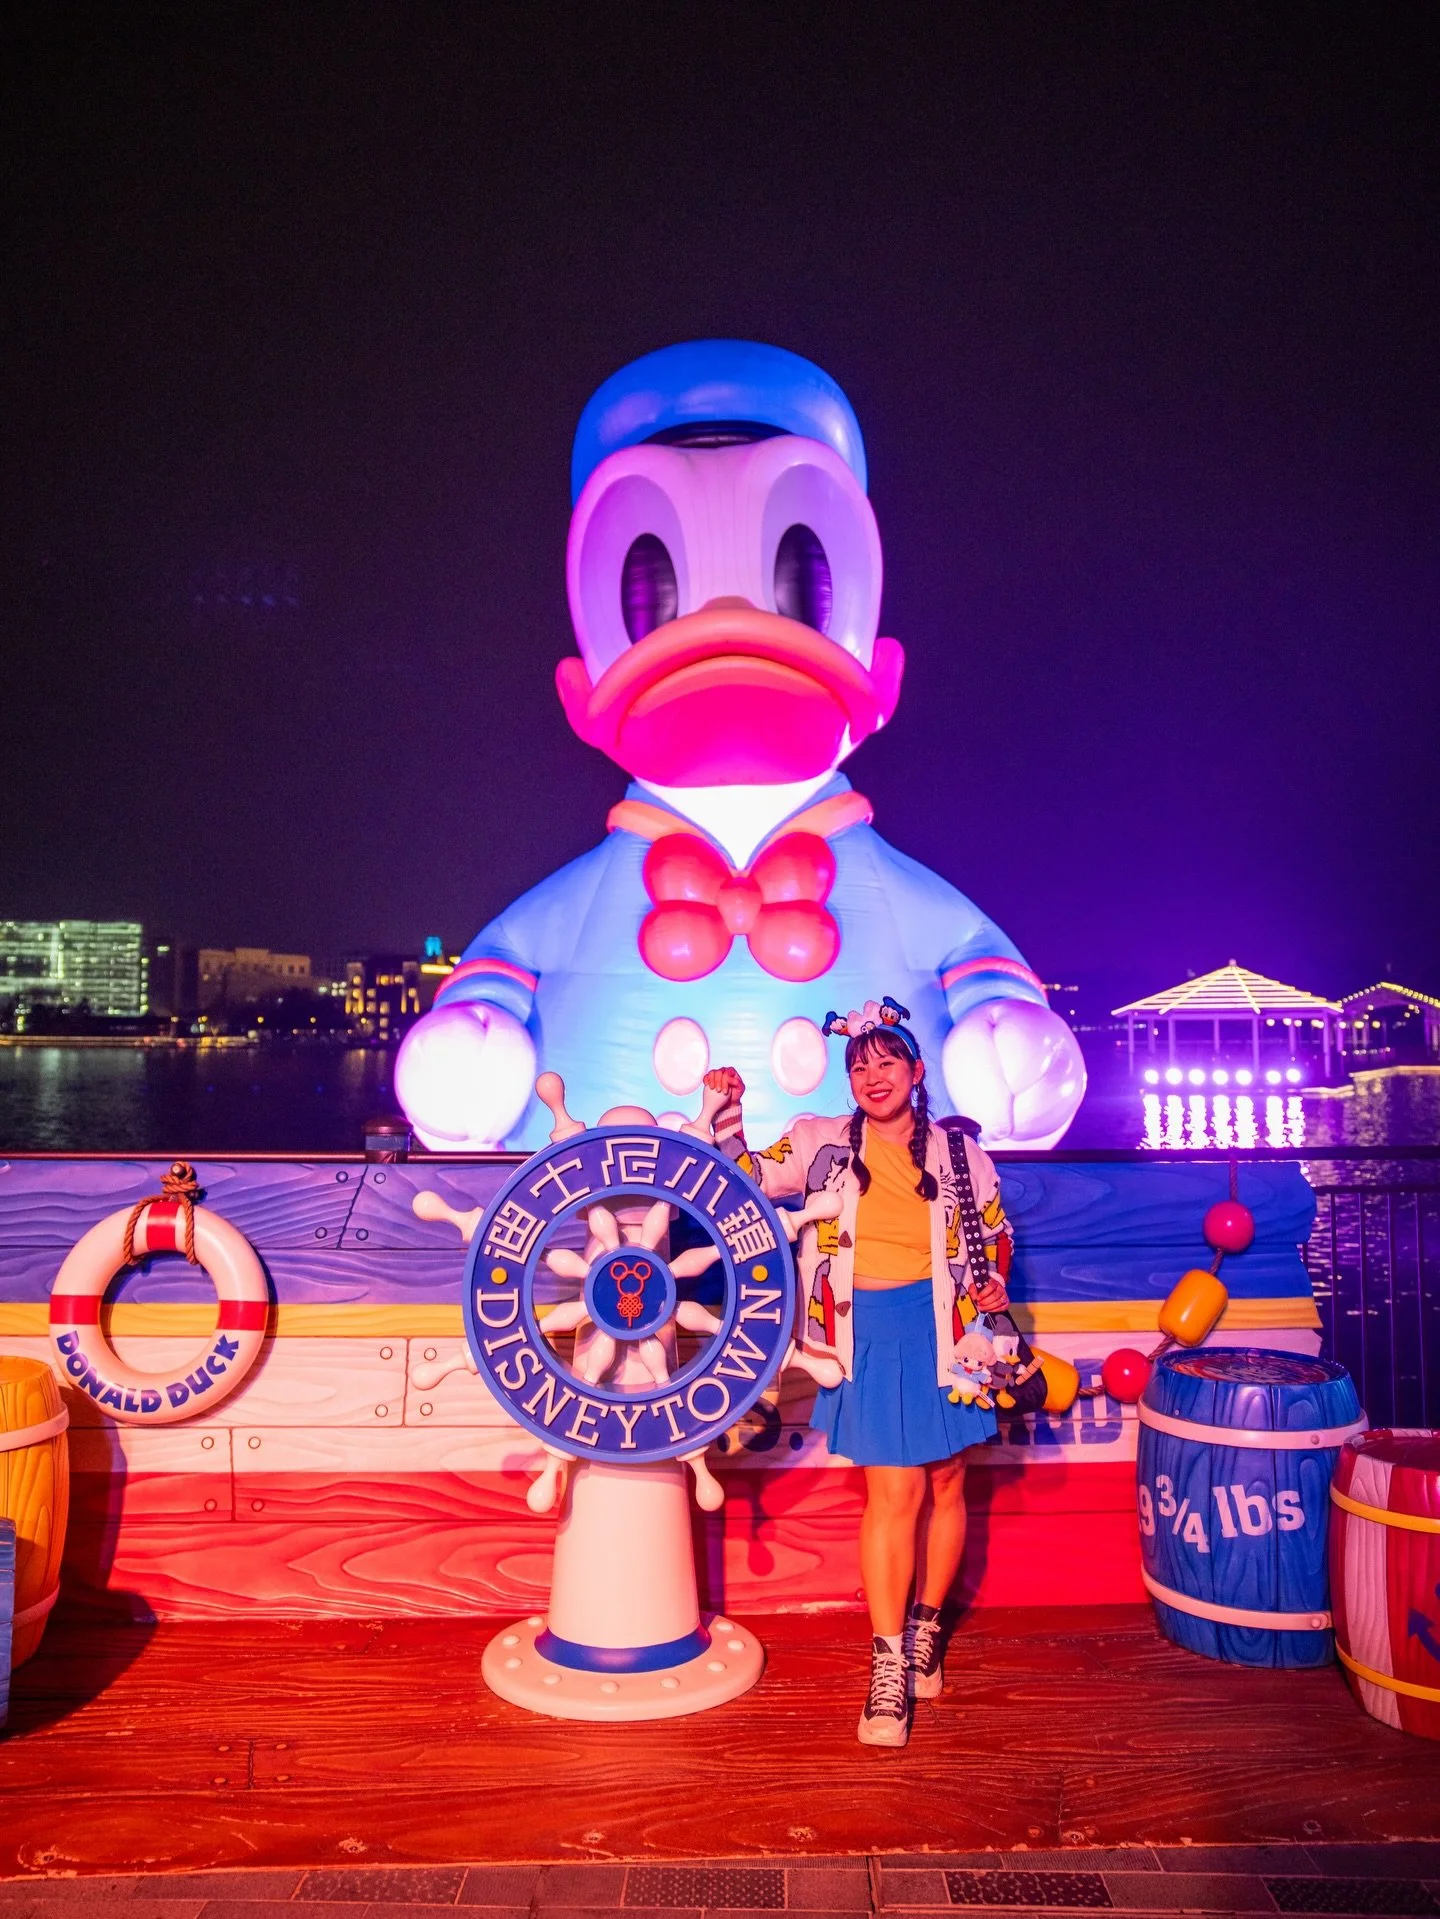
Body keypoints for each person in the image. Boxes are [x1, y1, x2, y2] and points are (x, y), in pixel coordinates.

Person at [705, 997, 1014, 1747]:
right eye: (859, 1065)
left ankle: (927, 1629)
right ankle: (886, 1667)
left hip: (947, 1333)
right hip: (862, 1330)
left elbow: (998, 1237)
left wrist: (997, 1283)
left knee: (947, 1482)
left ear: (915, 1069)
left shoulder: (963, 1154)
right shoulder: (818, 1142)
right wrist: (725, 1114)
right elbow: (745, 1177)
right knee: (895, 1489)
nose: (873, 1076)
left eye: (886, 1062)